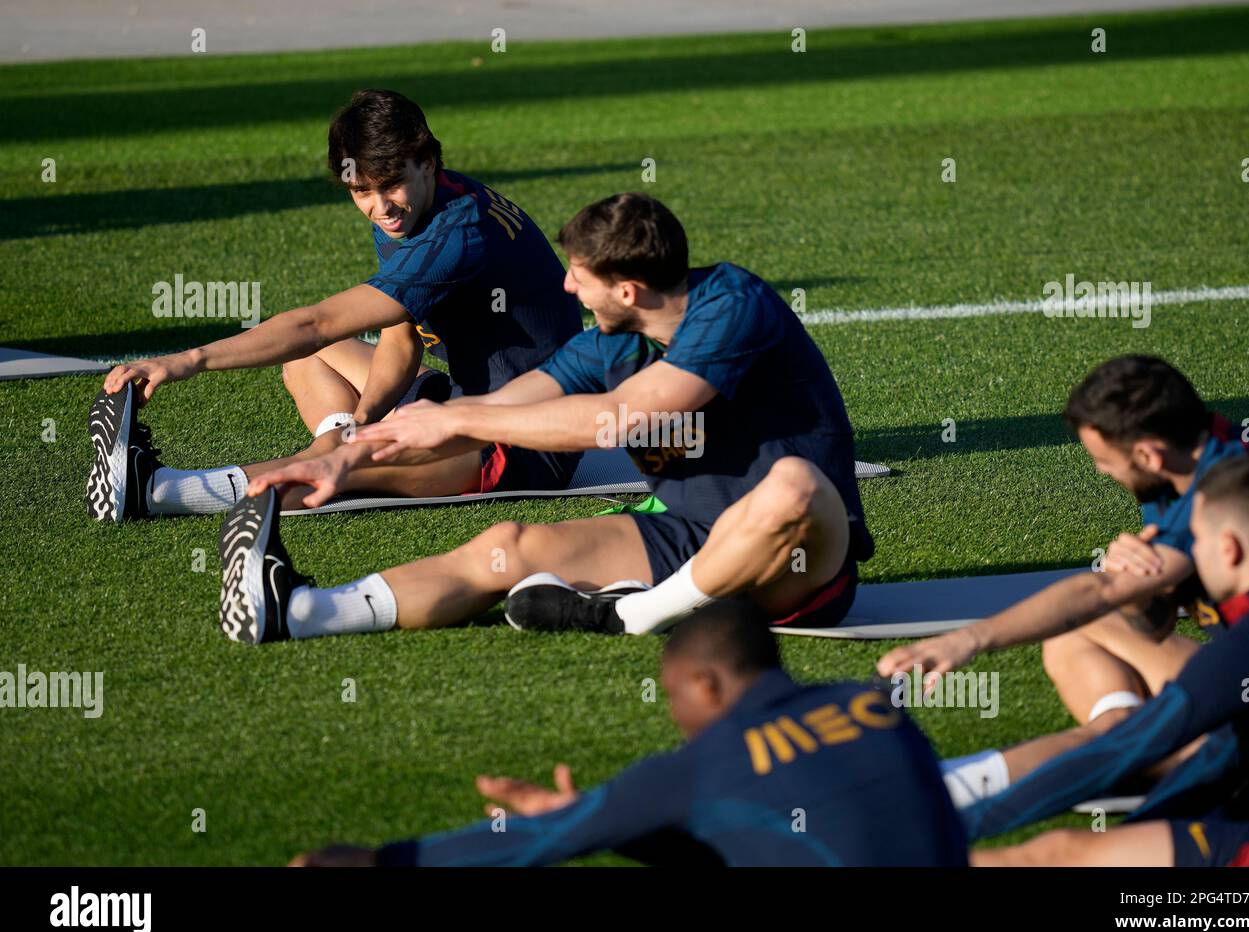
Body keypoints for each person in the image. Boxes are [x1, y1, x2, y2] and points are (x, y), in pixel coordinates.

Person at [218, 192, 872, 645]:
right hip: (695, 534)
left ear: (626, 290)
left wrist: (464, 425)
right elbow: (499, 406)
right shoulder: (612, 341)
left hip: (802, 556)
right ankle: (303, 610)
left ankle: (634, 615)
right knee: (509, 547)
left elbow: (614, 421)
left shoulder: (734, 306)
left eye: (578, 278)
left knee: (790, 483)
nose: (566, 289)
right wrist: (342, 456)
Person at [85, 88, 580, 523]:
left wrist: (186, 360)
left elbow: (317, 322)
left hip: (522, 441)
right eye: (361, 190)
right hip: (466, 403)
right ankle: (335, 446)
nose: (379, 206)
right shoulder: (416, 209)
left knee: (336, 466)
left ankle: (153, 492)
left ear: (427, 162)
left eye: (390, 185)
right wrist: (358, 426)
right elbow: (401, 337)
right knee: (309, 365)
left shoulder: (457, 234)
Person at [877, 356, 1249, 807]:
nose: (1100, 471)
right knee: (1076, 630)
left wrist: (968, 639)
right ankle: (1125, 746)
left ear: (1147, 454)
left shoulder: (1223, 487)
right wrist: (1137, 587)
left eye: (1102, 459)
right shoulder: (1185, 459)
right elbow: (1151, 626)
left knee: (1109, 719)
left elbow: (1098, 593)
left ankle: (943, 791)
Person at [290, 599, 968, 867]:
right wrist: (607, 822)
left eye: (675, 695)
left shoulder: (701, 765)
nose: (675, 715)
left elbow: (535, 844)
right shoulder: (875, 708)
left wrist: (379, 861)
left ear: (705, 684)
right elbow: (764, 835)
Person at [966, 456, 1249, 866]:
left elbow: (1124, 749)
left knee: (1053, 855)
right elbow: (1226, 747)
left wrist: (960, 821)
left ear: (1229, 548)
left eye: (1194, 539)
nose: (1189, 554)